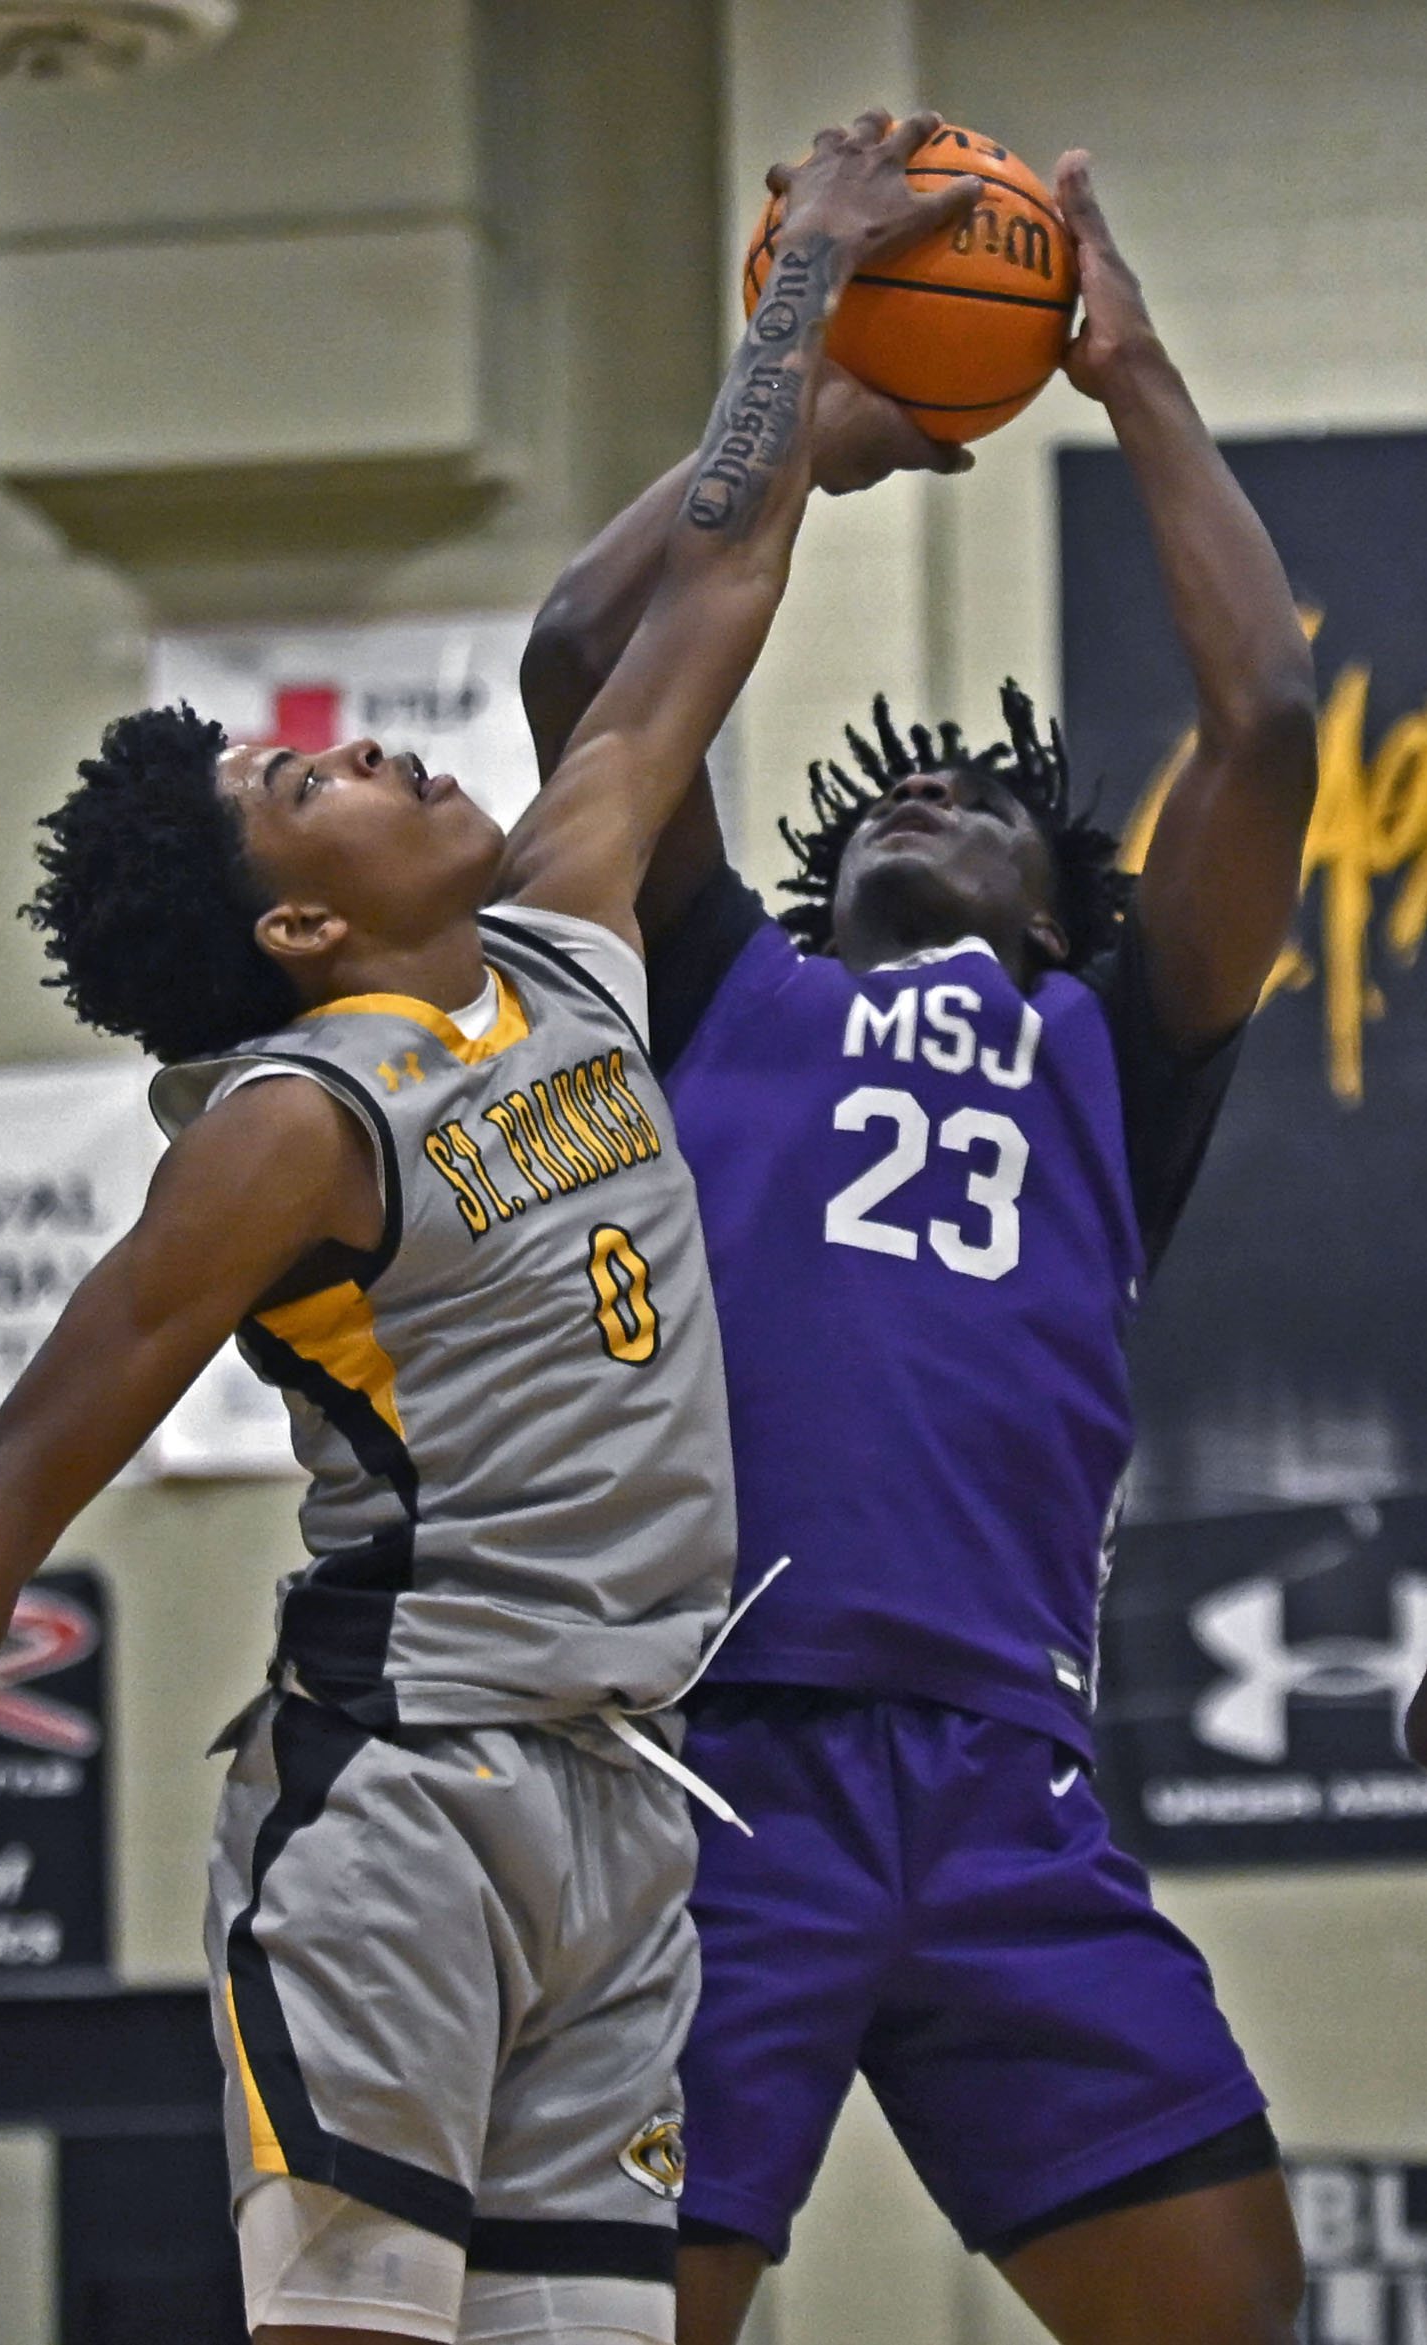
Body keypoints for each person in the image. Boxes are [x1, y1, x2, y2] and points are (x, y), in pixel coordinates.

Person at [0, 119, 979, 2345]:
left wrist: (801, 334)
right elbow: (24, 1470)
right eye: (303, 786)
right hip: (399, 1808)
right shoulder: (295, 1130)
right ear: (306, 924)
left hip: (625, 1812)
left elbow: (708, 591)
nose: (374, 756)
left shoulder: (574, 933)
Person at [521, 151, 1318, 2345]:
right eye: (876, 799)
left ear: (1065, 910)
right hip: (714, 1775)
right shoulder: (711, 996)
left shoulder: (1113, 1048)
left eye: (970, 806)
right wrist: (796, 370)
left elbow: (1264, 728)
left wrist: (1125, 363)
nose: (911, 802)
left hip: (1003, 1788)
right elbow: (587, 651)